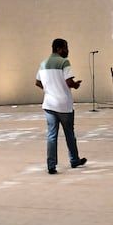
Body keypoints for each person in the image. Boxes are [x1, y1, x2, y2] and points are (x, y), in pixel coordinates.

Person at [35, 38, 87, 174]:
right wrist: (76, 85)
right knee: (69, 134)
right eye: (65, 47)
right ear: (58, 49)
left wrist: (49, 89)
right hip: (63, 105)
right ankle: (74, 160)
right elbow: (69, 81)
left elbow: (38, 82)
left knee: (52, 135)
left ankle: (51, 165)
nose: (67, 50)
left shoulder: (43, 63)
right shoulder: (64, 62)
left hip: (48, 105)